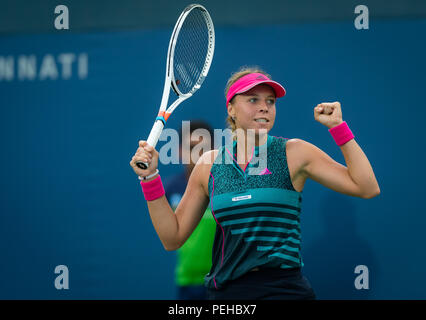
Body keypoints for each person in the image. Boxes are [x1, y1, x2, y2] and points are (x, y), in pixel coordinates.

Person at [130, 66, 380, 300]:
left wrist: (339, 128)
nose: (264, 107)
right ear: (231, 109)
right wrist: (150, 178)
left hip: (284, 291)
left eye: (270, 101)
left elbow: (366, 186)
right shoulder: (209, 164)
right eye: (253, 100)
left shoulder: (295, 153)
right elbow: (171, 237)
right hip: (228, 293)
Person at [165, 120, 216, 300]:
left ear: (213, 150)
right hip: (188, 281)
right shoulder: (171, 188)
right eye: (191, 147)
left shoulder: (224, 185)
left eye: (202, 147)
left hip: (223, 279)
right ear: (179, 151)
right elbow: (170, 235)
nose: (197, 153)